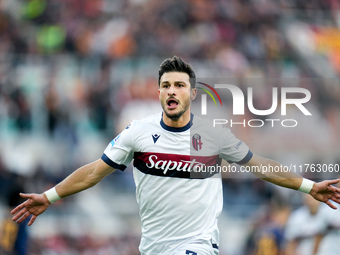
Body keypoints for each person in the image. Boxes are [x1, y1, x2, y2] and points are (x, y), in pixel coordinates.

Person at [11, 56, 340, 255]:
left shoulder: (214, 136)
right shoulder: (137, 133)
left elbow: (261, 167)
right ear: (158, 92)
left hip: (197, 243)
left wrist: (310, 187)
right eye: (166, 85)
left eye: (179, 85)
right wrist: (50, 196)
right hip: (153, 247)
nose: (172, 90)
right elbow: (94, 171)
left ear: (192, 94)